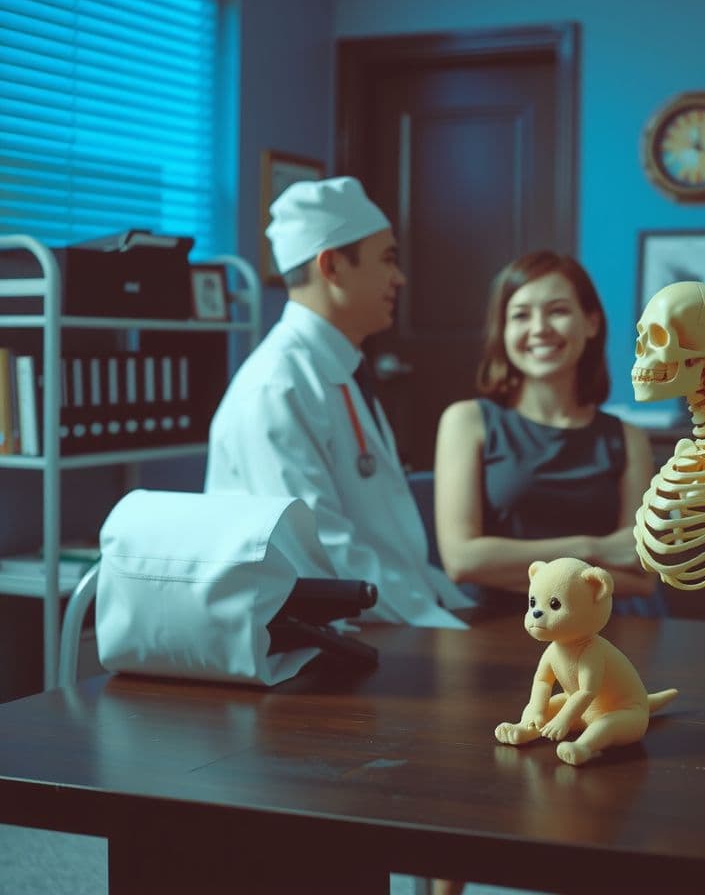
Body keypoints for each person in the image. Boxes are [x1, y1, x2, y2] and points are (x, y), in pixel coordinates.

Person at [205, 176, 472, 628]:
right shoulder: (276, 386)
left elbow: (386, 547)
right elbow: (321, 553)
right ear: (331, 267)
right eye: (388, 260)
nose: (400, 278)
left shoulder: (339, 369)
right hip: (321, 641)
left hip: (382, 618)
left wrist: (452, 606)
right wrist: (439, 626)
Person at [434, 250, 658, 612]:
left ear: (591, 323)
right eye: (521, 315)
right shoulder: (466, 421)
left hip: (594, 637)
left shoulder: (629, 439)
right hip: (490, 628)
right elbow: (462, 561)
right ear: (503, 331)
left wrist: (503, 565)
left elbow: (641, 578)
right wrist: (593, 549)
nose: (539, 328)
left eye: (558, 311)